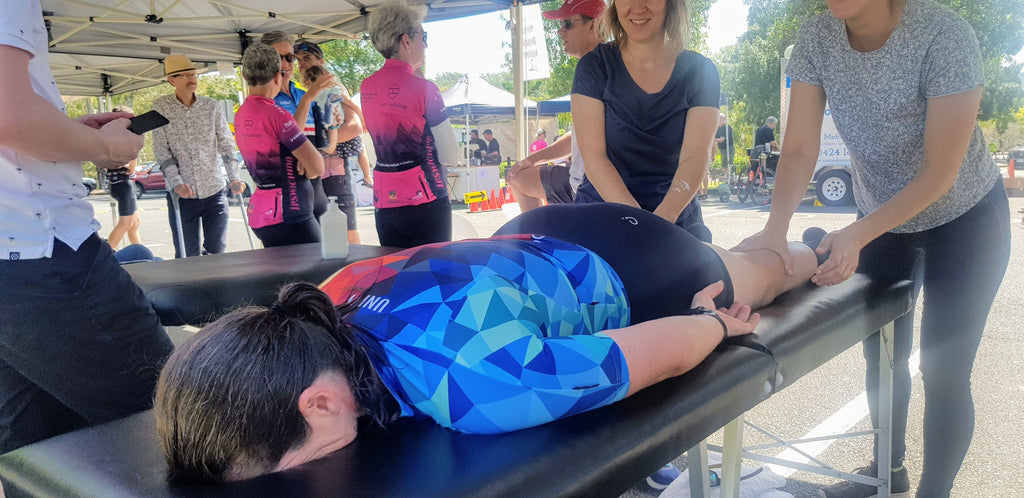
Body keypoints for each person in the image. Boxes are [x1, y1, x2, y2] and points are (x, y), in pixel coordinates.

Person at [154, 203, 822, 482]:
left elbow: (659, 353)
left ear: (318, 405)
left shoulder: (479, 382)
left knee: (766, 273)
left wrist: (713, 324)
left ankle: (819, 246)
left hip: (636, 261)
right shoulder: (322, 301)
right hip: (530, 231)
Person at [732, 1, 1010, 496]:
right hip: (881, 217)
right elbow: (798, 148)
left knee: (943, 368)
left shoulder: (943, 35)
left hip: (964, 217)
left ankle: (934, 491)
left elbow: (939, 172)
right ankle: (888, 471)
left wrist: (858, 234)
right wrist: (775, 229)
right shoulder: (817, 38)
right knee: (883, 355)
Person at [0, 1, 173, 453]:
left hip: (16, 254)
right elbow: (10, 115)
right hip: (41, 251)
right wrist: (101, 145)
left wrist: (65, 130)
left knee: (39, 451)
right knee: (179, 422)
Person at [572, 0, 719, 243]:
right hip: (602, 215)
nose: (638, 7)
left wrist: (662, 221)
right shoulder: (593, 67)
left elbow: (696, 156)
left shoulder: (701, 72)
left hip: (676, 219)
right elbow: (594, 157)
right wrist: (639, 223)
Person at [360, 3, 460, 248]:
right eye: (423, 36)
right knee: (434, 278)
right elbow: (451, 156)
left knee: (396, 278)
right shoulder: (425, 89)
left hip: (385, 201)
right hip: (426, 200)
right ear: (406, 41)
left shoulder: (367, 86)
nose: (425, 44)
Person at [506, 0, 607, 212]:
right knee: (519, 175)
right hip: (588, 182)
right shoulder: (605, 66)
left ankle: (539, 240)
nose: (560, 32)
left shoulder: (596, 69)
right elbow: (579, 135)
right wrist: (531, 159)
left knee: (516, 178)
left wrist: (529, 161)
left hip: (587, 187)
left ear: (594, 25)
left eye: (568, 24)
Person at [152, 54, 244, 258]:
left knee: (217, 252)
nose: (191, 78)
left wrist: (234, 177)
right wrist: (176, 182)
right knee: (187, 255)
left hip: (214, 188)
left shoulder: (211, 106)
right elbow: (161, 149)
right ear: (171, 80)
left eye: (192, 74)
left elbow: (227, 143)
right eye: (183, 75)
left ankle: (217, 288)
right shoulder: (160, 107)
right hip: (182, 194)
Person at [234, 43, 325, 247]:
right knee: (322, 275)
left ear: (245, 76)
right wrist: (306, 165)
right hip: (293, 212)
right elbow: (317, 167)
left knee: (281, 277)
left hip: (262, 212)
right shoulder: (276, 114)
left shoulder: (241, 114)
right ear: (278, 76)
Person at [294, 41, 363, 245]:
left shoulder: (332, 88)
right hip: (319, 169)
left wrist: (316, 146)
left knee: (345, 228)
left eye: (307, 59)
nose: (301, 65)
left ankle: (359, 269)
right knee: (326, 230)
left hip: (334, 167)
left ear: (321, 62)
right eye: (297, 60)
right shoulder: (306, 92)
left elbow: (355, 126)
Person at [259, 31, 332, 224]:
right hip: (287, 190)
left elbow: (327, 143)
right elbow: (287, 141)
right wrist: (301, 154)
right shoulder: (264, 101)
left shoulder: (304, 93)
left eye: (290, 58)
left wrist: (334, 117)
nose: (286, 64)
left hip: (315, 184)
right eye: (278, 58)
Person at [105, 105, 142, 249]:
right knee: (126, 223)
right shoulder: (124, 138)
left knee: (134, 223)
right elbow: (131, 166)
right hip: (123, 183)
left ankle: (140, 253)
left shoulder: (110, 136)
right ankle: (107, 254)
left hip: (121, 182)